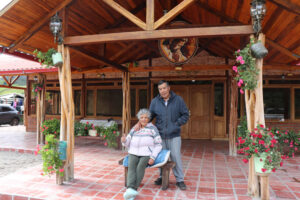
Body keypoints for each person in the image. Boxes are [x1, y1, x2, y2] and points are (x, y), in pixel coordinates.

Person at [149, 80, 189, 190]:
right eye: (160, 89)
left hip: (174, 135)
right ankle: (162, 177)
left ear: (169, 88)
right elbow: (149, 116)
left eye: (164, 88)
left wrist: (176, 124)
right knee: (161, 157)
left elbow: (185, 115)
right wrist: (141, 124)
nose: (162, 91)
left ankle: (180, 180)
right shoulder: (155, 102)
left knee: (175, 157)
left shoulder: (178, 100)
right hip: (160, 135)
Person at [121, 108, 162, 200]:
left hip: (146, 154)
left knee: (139, 168)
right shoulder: (134, 129)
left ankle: (132, 190)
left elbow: (158, 144)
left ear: (149, 119)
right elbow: (127, 143)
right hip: (133, 152)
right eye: (142, 117)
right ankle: (130, 190)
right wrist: (124, 141)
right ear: (139, 119)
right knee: (131, 169)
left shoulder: (153, 129)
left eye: (146, 117)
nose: (144, 119)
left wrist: (153, 157)